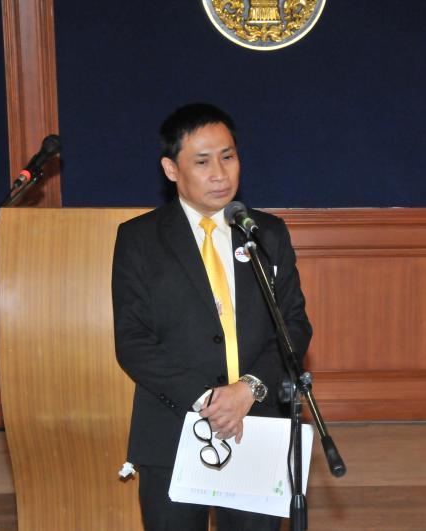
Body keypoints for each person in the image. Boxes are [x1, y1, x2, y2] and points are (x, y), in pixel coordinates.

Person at [111, 102, 312, 531]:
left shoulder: (266, 233)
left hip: (257, 423)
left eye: (228, 156)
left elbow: (293, 324)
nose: (220, 173)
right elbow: (133, 340)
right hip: (173, 427)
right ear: (171, 169)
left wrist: (248, 389)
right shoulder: (138, 239)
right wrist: (208, 401)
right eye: (202, 162)